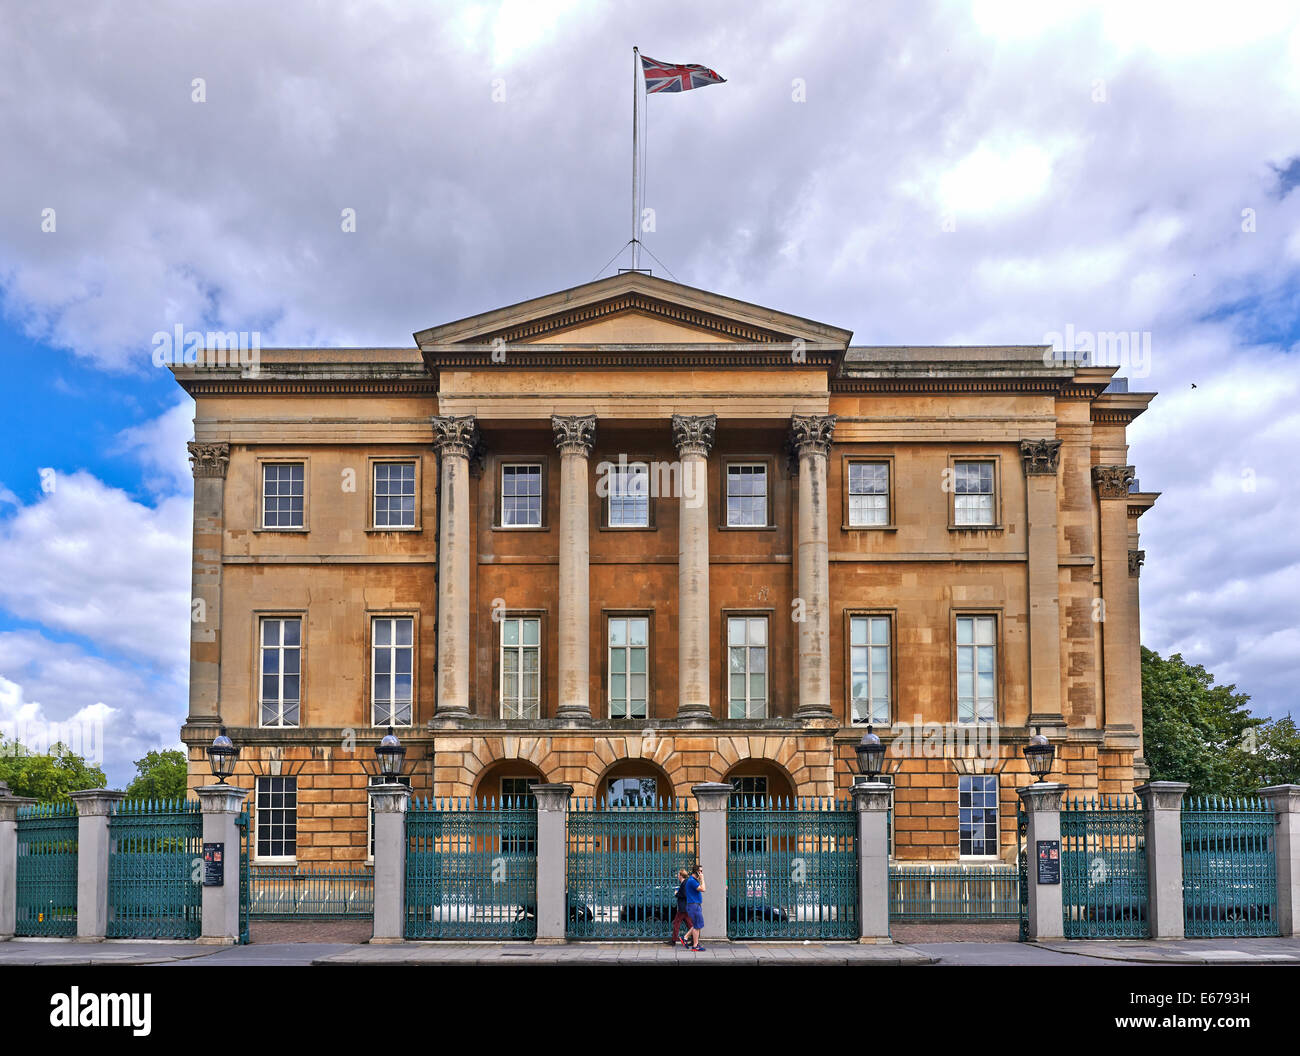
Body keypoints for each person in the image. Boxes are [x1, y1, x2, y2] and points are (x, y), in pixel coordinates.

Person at [682, 864, 706, 951]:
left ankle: (685, 937)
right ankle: (695, 946)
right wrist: (702, 879)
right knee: (697, 926)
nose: (701, 873)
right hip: (694, 905)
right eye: (700, 871)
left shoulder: (693, 880)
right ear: (696, 871)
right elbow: (703, 889)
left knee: (697, 925)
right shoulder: (692, 881)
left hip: (695, 905)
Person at [668, 868, 690, 946]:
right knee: (690, 924)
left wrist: (676, 893)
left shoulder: (684, 883)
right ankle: (695, 940)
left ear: (681, 875)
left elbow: (684, 894)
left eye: (678, 874)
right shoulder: (686, 883)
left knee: (676, 923)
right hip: (686, 907)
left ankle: (673, 941)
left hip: (683, 908)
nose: (677, 876)